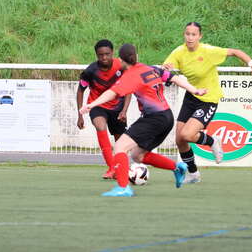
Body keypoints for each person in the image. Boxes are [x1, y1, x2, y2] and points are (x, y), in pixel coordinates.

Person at [80, 43, 207, 197]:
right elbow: (175, 78)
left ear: (120, 59)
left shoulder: (131, 75)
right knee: (137, 156)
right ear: (137, 56)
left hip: (153, 119)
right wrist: (195, 90)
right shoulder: (151, 69)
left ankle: (123, 188)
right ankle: (177, 167)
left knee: (120, 146)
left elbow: (111, 93)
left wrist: (91, 105)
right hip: (167, 117)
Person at [162, 22, 252, 184]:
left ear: (200, 36)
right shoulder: (179, 52)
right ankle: (194, 174)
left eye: (194, 34)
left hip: (208, 99)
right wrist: (166, 68)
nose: (190, 37)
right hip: (191, 97)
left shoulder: (209, 51)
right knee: (179, 140)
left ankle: (212, 141)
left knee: (187, 135)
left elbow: (236, 52)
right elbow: (166, 70)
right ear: (184, 35)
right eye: (187, 34)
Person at [77, 39, 131, 179]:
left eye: (107, 54)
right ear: (96, 55)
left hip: (117, 108)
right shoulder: (90, 71)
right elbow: (80, 91)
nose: (104, 57)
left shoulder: (121, 66)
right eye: (101, 55)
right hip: (97, 106)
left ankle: (121, 167)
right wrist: (80, 114)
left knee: (120, 141)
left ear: (112, 53)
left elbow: (128, 89)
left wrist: (124, 110)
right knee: (100, 126)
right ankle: (111, 168)